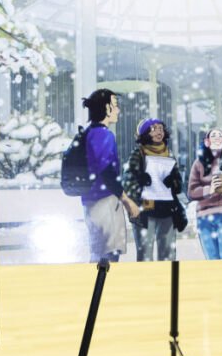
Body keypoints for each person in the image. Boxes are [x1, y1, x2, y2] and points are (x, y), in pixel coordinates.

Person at [79, 88, 140, 262]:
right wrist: (127, 201)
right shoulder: (103, 135)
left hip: (91, 200)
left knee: (99, 253)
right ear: (106, 108)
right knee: (108, 256)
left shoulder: (89, 133)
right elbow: (106, 171)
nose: (118, 110)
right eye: (115, 105)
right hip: (104, 202)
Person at [123, 118, 186, 261]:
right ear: (145, 133)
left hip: (167, 208)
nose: (159, 131)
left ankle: (167, 281)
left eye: (161, 128)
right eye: (154, 128)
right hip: (146, 207)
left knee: (168, 252)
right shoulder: (138, 153)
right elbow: (128, 179)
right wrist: (140, 180)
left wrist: (173, 182)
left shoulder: (169, 153)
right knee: (145, 251)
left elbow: (178, 183)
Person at [187, 127, 222, 259]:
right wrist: (208, 190)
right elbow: (191, 191)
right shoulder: (198, 164)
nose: (217, 138)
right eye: (213, 136)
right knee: (212, 260)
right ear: (207, 142)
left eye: (220, 136)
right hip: (204, 217)